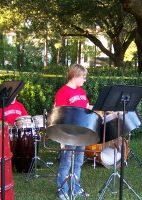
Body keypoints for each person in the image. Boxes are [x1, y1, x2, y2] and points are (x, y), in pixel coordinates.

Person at [55, 64, 92, 200]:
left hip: (82, 131)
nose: (84, 80)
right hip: (68, 133)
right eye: (83, 77)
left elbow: (87, 107)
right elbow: (59, 113)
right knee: (66, 162)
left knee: (78, 162)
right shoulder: (63, 92)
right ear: (75, 76)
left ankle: (75, 187)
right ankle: (62, 190)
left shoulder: (81, 91)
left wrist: (101, 108)